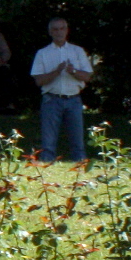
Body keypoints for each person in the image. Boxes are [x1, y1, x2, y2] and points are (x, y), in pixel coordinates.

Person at [28, 17, 94, 163]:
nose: (59, 32)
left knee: (77, 139)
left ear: (67, 30)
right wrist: (56, 72)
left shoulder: (77, 51)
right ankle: (47, 164)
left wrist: (73, 72)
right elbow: (39, 81)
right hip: (52, 99)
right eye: (55, 29)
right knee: (48, 141)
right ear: (50, 32)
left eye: (62, 28)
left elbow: (88, 76)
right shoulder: (43, 53)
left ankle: (80, 164)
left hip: (74, 99)